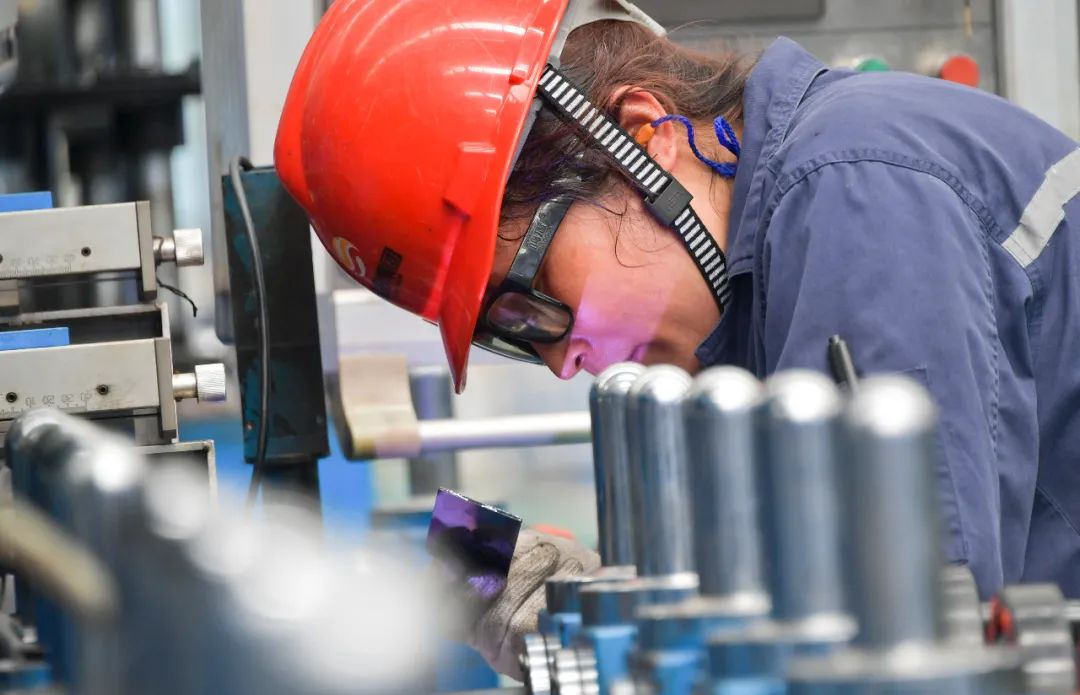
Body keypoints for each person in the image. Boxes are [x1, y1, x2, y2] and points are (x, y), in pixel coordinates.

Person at [276, 0, 1080, 679]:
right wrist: (535, 587)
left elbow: (901, 652)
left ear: (641, 134)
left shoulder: (855, 198)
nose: (562, 359)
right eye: (509, 335)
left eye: (529, 294)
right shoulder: (758, 293)